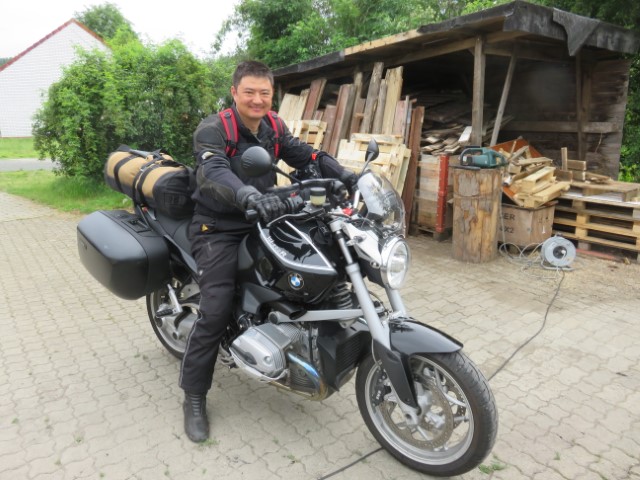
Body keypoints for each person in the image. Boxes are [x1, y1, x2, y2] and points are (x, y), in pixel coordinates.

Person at [180, 60, 357, 442]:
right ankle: (194, 396)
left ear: (271, 95)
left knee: (320, 264)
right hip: (218, 226)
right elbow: (213, 172)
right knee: (215, 307)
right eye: (250, 92)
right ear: (235, 92)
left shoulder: (273, 126)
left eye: (264, 93)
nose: (257, 99)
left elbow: (304, 155)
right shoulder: (214, 129)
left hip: (265, 214)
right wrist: (247, 194)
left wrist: (343, 174)